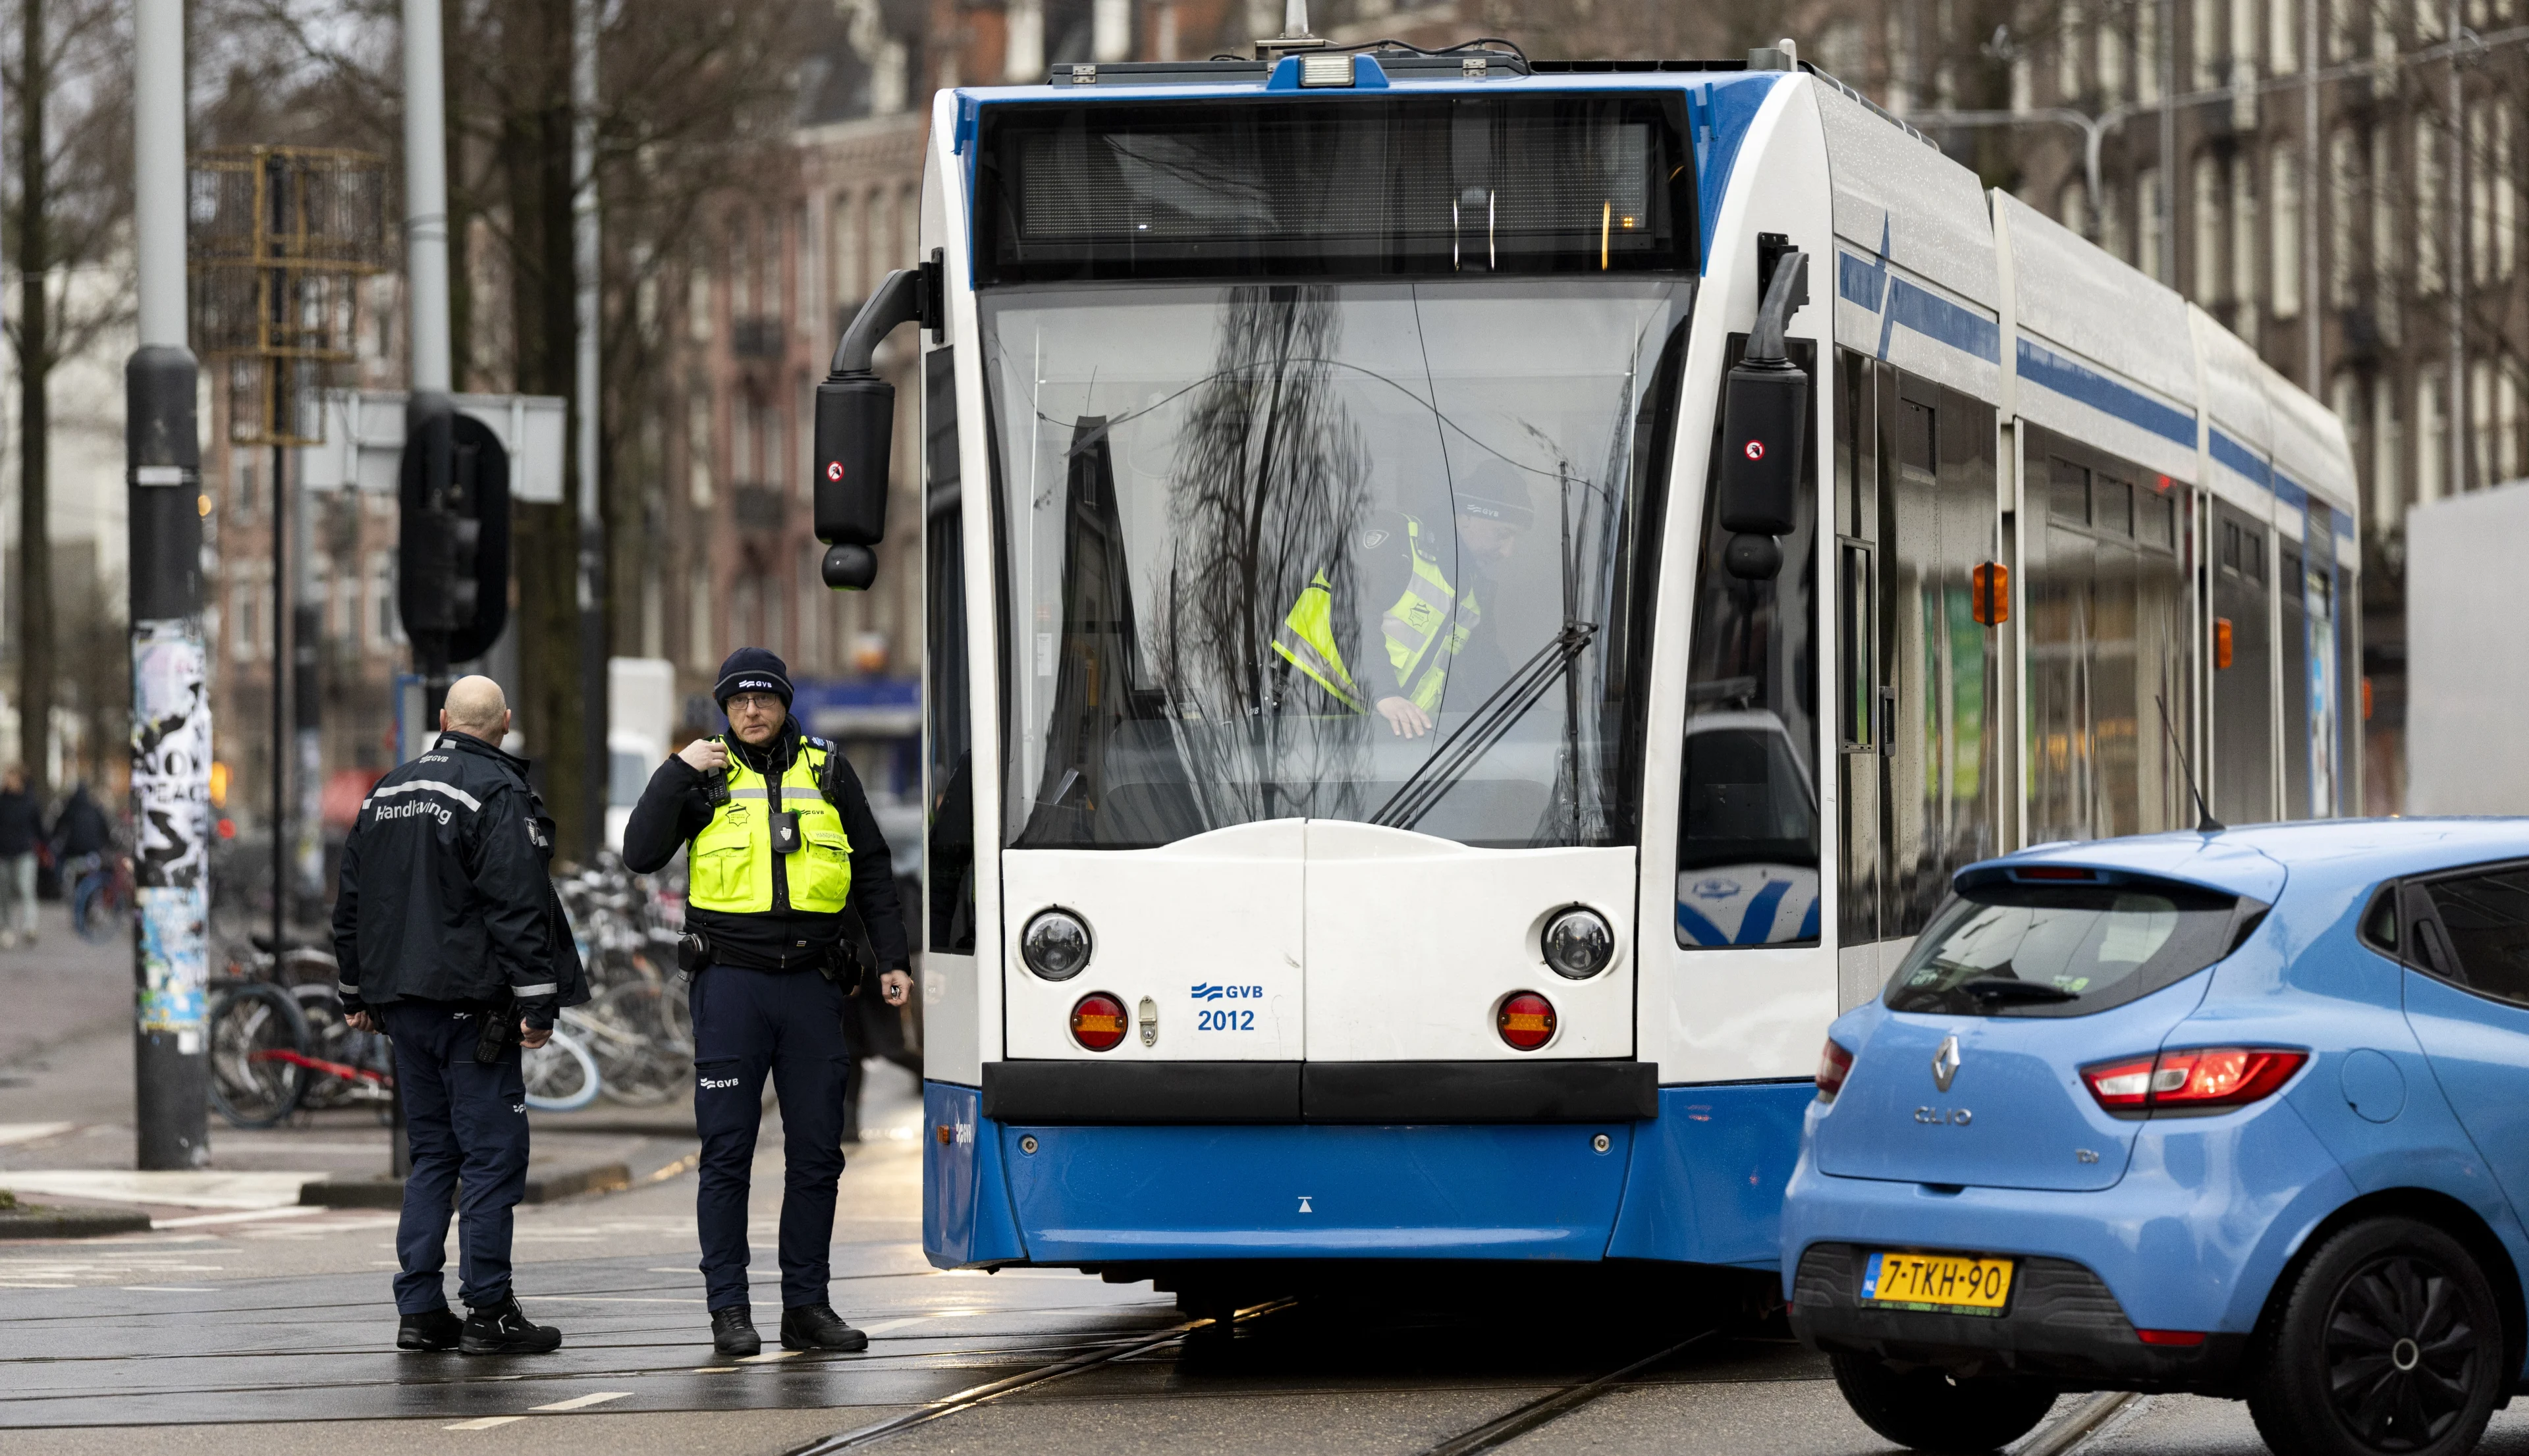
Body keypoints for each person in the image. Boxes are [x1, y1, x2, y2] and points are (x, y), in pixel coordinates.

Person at [621, 648, 913, 1358]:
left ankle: (806, 1307)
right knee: (727, 1154)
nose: (752, 712)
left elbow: (872, 865)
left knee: (818, 1155)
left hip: (814, 987)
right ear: (724, 709)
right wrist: (675, 771)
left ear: (785, 704)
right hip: (731, 986)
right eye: (738, 702)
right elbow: (639, 852)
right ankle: (730, 1310)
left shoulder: (828, 768)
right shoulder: (702, 776)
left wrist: (892, 959)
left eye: (765, 700)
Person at [332, 675, 587, 1356]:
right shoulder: (499, 792)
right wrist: (538, 1001)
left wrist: (355, 991)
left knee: (432, 1159)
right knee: (492, 1159)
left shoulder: (387, 791)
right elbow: (517, 902)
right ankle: (489, 1312)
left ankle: (419, 1310)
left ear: (443, 719)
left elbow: (352, 899)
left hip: (402, 1011)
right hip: (473, 1011)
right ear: (504, 721)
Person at [1272, 463, 1533, 738]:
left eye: (1515, 539)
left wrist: (1536, 719)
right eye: (1502, 534)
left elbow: (1485, 671)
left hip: (1379, 732)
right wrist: (1384, 693)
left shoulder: (1471, 591)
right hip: (1302, 709)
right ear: (1466, 517)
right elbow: (1353, 615)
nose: (1508, 551)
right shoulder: (1396, 539)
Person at [0, 766, 46, 948]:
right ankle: (6, 928)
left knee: (26, 887)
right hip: (3, 853)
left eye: (10, 777)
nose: (7, 781)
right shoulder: (2, 802)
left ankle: (30, 926)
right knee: (4, 893)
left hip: (25, 852)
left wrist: (44, 846)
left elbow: (39, 828)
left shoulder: (31, 801)